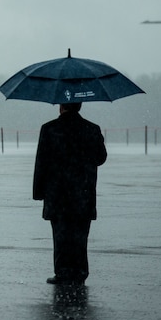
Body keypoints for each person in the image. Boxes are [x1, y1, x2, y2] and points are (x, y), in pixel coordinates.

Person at [33, 102, 107, 284]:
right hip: (83, 193)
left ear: (61, 106)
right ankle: (80, 272)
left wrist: (39, 192)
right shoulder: (92, 129)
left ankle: (63, 272)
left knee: (60, 236)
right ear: (80, 105)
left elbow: (41, 162)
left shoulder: (49, 129)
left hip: (57, 194)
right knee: (80, 236)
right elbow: (101, 158)